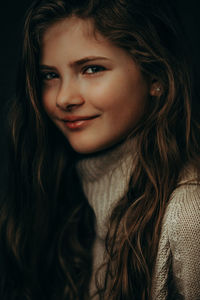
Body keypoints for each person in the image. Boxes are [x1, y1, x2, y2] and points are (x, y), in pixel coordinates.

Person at [1, 0, 200, 299]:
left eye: (92, 69)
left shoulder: (188, 213)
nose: (63, 98)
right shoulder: (62, 198)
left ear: (155, 77)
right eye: (49, 76)